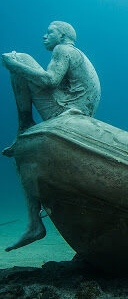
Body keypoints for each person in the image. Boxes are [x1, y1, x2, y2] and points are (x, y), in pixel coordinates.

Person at [2, 21, 101, 252]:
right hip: (78, 111)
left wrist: (13, 65)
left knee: (20, 58)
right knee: (19, 62)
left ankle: (24, 125)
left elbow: (49, 80)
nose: (44, 36)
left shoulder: (63, 49)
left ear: (63, 35)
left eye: (50, 32)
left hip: (65, 111)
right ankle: (35, 223)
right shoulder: (77, 54)